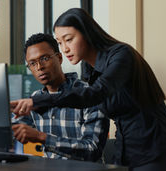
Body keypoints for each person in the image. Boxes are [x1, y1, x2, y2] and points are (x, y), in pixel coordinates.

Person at [11, 8, 166, 171]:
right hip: (125, 149)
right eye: (60, 42)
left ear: (87, 34)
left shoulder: (122, 55)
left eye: (69, 40)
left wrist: (37, 101)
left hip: (154, 147)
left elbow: (95, 94)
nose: (65, 49)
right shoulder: (88, 68)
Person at [11, 33, 109, 162]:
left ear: (59, 58)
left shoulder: (88, 94)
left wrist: (42, 137)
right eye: (32, 63)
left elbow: (92, 150)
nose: (39, 67)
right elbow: (12, 131)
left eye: (44, 58)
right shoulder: (35, 98)